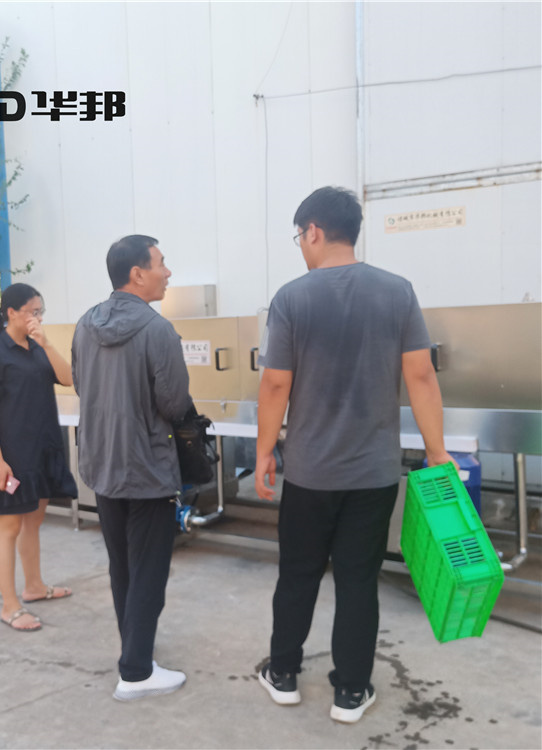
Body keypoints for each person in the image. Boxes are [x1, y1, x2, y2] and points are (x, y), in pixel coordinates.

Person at [254, 187, 454, 723]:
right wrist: (437, 451)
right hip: (374, 473)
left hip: (309, 473)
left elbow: (275, 384)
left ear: (314, 231)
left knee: (297, 574)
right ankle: (351, 691)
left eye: (300, 236)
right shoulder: (397, 291)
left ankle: (283, 673)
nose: (301, 246)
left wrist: (266, 450)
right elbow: (420, 374)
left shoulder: (291, 298)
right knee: (359, 580)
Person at [72, 234, 192, 701]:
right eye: (161, 263)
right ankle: (137, 671)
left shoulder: (85, 325)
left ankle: (134, 650)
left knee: (122, 565)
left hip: (101, 463)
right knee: (149, 572)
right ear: (138, 274)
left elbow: (82, 384)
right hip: (147, 468)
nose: (168, 272)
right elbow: (174, 403)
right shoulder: (158, 331)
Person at [0, 283, 78, 632]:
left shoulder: (37, 348)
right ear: (11, 313)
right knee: (9, 526)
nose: (38, 318)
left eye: (40, 312)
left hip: (43, 449)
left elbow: (68, 379)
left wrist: (46, 343)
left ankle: (34, 586)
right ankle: (10, 606)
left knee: (33, 520)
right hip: (13, 455)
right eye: (33, 312)